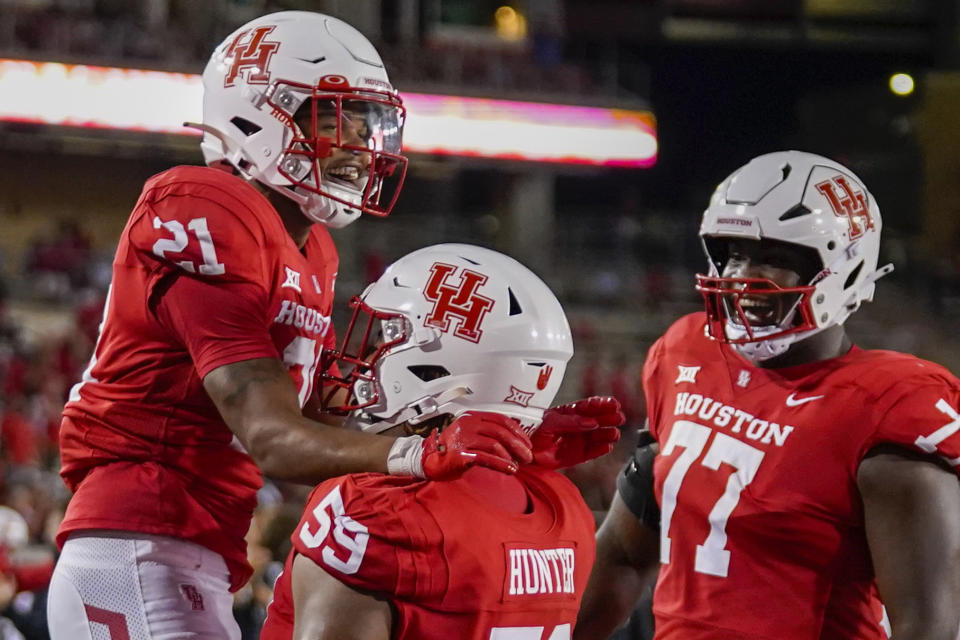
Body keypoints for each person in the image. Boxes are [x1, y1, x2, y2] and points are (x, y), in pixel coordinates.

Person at [46, 12, 617, 639]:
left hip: (195, 543)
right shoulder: (201, 205)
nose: (357, 143)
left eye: (366, 122)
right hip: (137, 537)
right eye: (332, 118)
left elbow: (324, 423)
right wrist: (425, 452)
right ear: (256, 112)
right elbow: (272, 436)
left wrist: (505, 432)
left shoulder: (313, 248)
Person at [575, 150, 960, 640]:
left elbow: (928, 629)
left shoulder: (885, 407)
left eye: (775, 257)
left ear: (844, 268)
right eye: (734, 252)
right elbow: (626, 554)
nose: (742, 275)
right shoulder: (687, 354)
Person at [260, 243, 621, 640]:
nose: (369, 357)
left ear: (435, 369)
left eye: (387, 338)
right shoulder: (563, 506)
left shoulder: (371, 513)